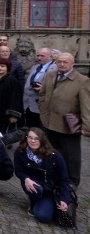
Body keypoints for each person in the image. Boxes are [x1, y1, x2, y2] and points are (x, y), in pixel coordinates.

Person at [38, 52, 90, 188]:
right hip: (49, 121)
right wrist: (43, 111)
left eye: (65, 62)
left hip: (69, 124)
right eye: (59, 61)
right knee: (51, 151)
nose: (61, 64)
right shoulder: (50, 75)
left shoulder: (82, 80)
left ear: (73, 64)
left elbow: (86, 105)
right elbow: (42, 93)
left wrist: (87, 126)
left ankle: (72, 180)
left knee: (71, 155)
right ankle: (54, 175)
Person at [14, 127, 71, 223]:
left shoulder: (54, 155)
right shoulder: (20, 152)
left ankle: (49, 203)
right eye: (30, 137)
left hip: (49, 189)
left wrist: (64, 199)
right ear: (26, 138)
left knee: (43, 217)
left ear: (42, 140)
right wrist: (26, 178)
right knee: (36, 190)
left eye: (36, 138)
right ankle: (34, 202)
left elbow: (64, 179)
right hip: (32, 185)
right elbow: (18, 171)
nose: (32, 141)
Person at [23, 48, 56, 128]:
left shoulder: (55, 68)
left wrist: (44, 89)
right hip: (28, 104)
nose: (39, 58)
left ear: (50, 57)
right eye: (38, 55)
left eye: (42, 56)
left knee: (40, 131)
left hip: (41, 105)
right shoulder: (35, 67)